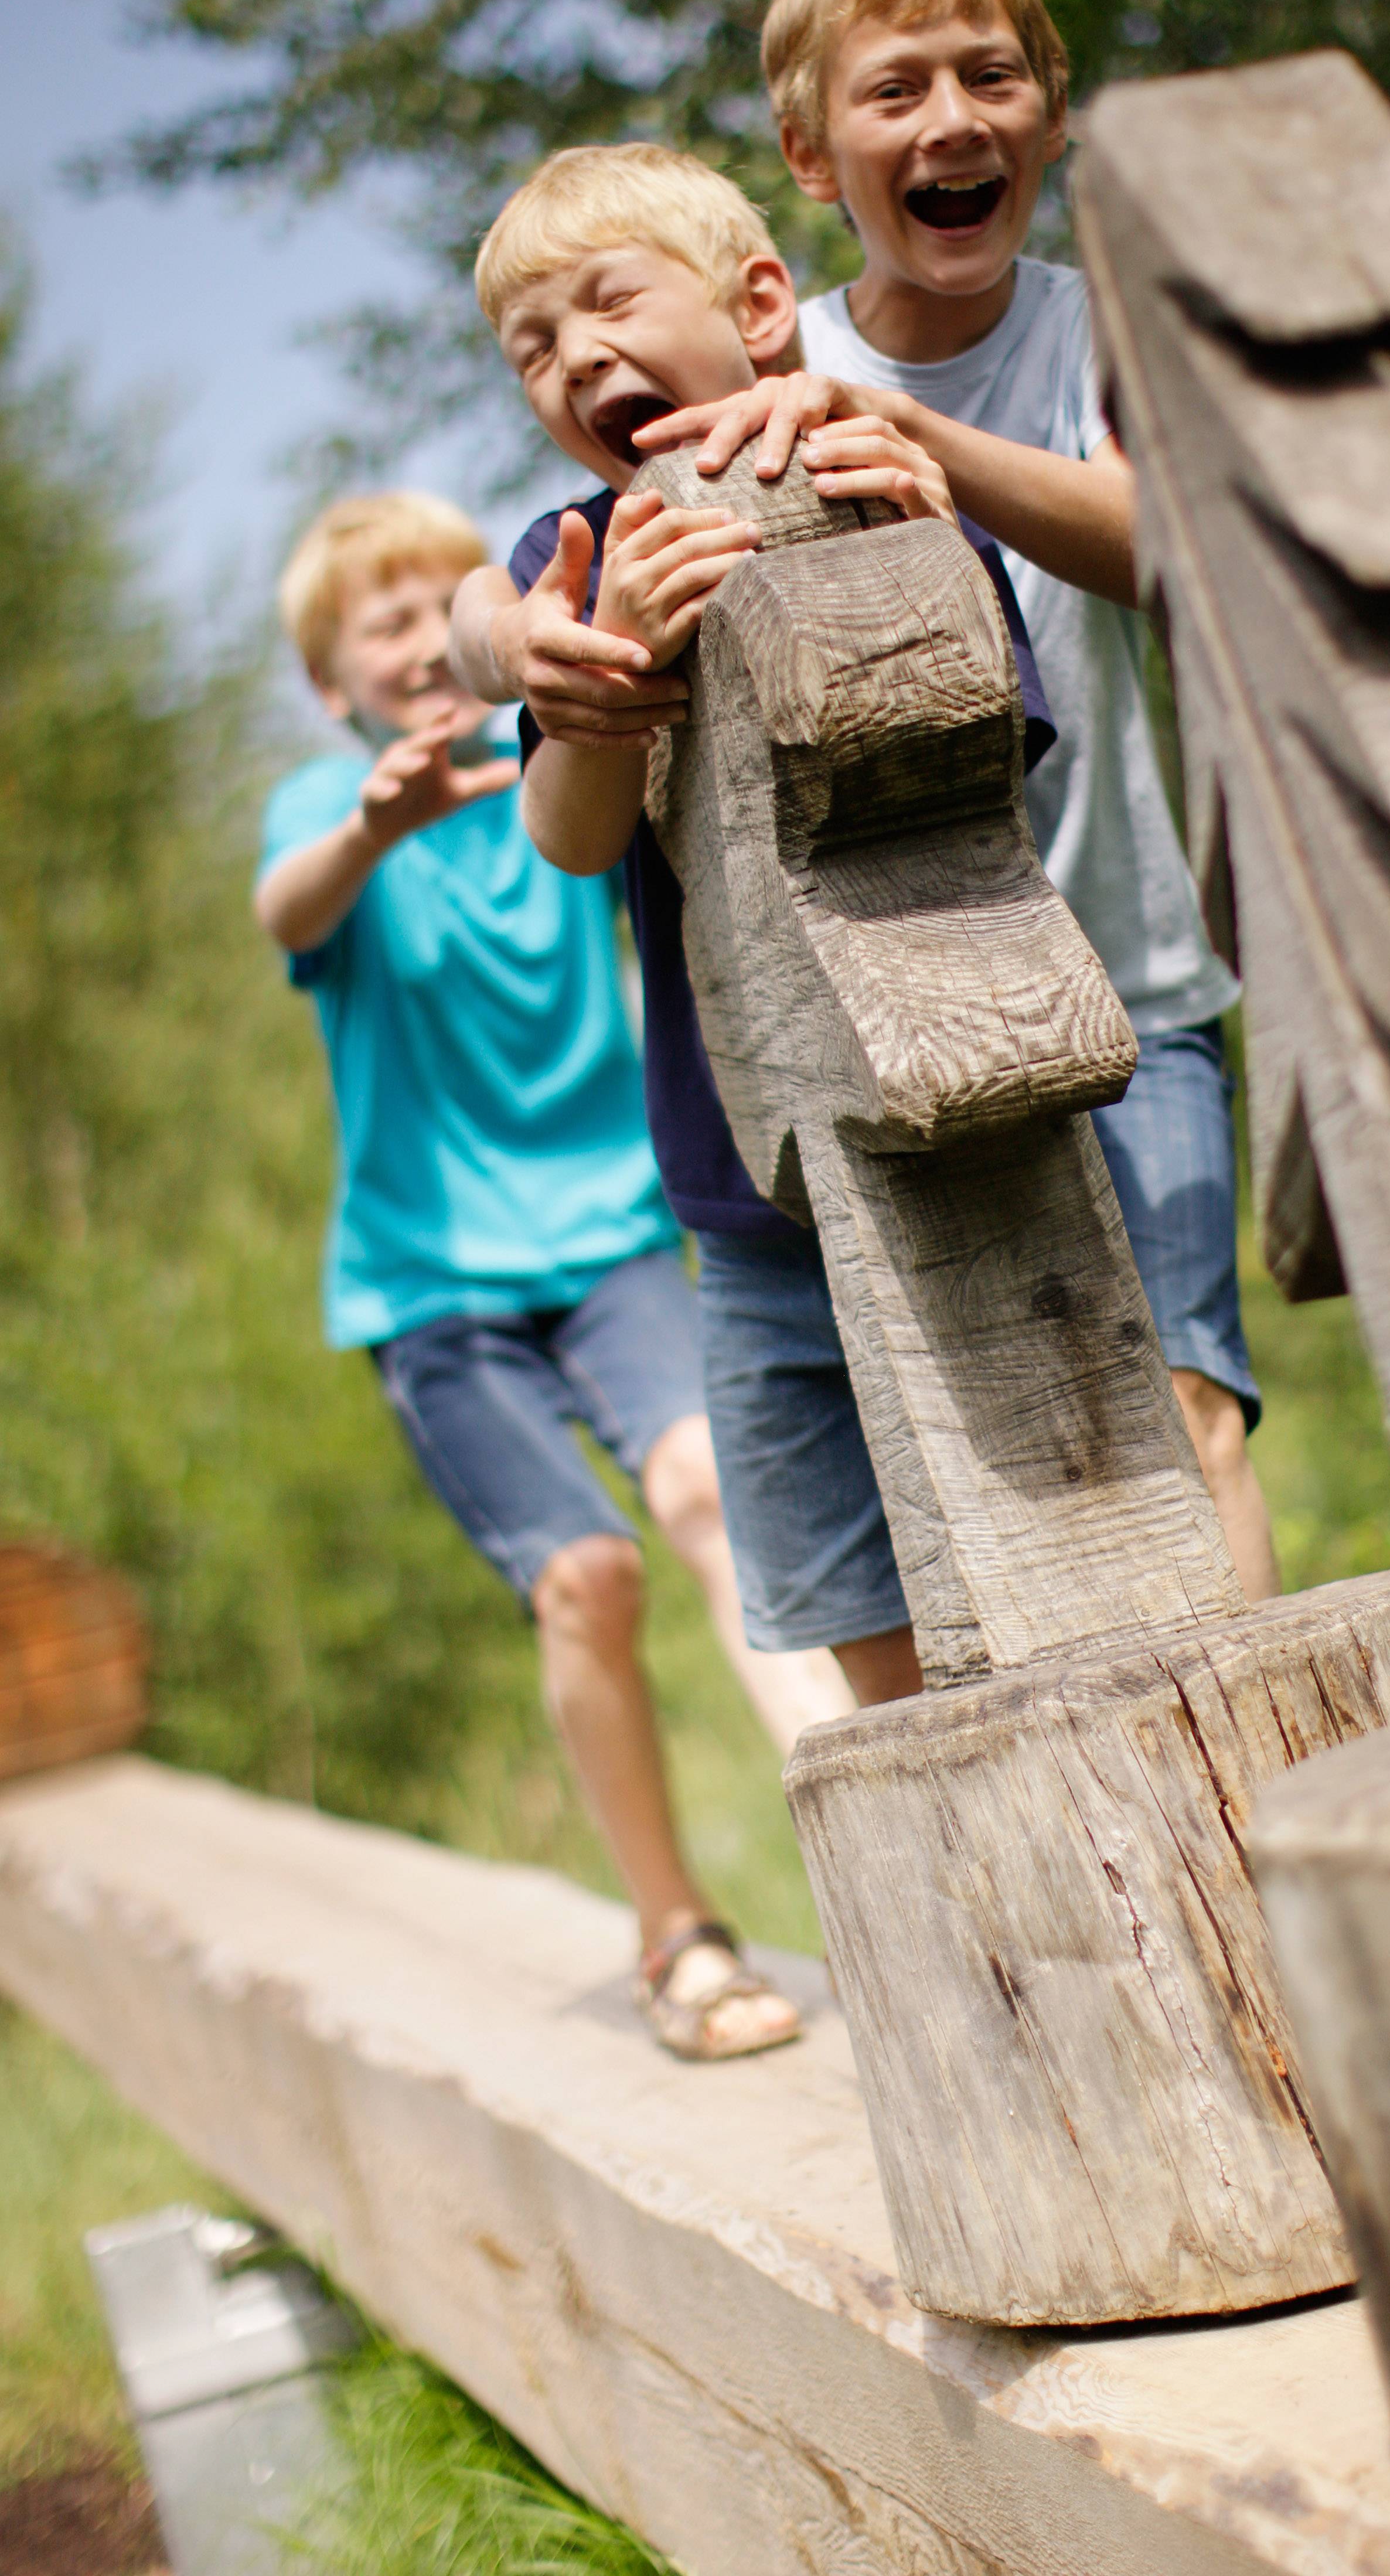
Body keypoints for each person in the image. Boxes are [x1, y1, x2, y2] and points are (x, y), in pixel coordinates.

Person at [628, 0, 1278, 1602]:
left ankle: (1279, 1826)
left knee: (1191, 1405)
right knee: (985, 1471)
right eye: (895, 91)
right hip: (888, 1010)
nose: (950, 123)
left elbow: (1171, 549)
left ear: (1052, 117)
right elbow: (577, 540)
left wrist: (930, 448)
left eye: (990, 78)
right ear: (809, 158)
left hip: (1131, 976)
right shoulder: (776, 365)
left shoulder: (1091, 333)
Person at [447, 147, 1058, 1711]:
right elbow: (571, 842)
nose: (577, 357)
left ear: (763, 306)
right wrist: (601, 682)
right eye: (534, 349)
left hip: (975, 1115)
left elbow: (999, 738)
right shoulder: (567, 562)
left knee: (1056, 1532)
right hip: (742, 1190)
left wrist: (899, 535)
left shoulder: (857, 461)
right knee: (866, 1621)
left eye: (609, 305)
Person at [256, 489, 846, 2061]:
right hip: (434, 1286)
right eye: (376, 626)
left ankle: (866, 1849)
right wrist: (371, 830)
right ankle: (679, 1936)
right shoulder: (334, 806)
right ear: (338, 683)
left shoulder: (556, 764)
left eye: (434, 606)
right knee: (586, 1579)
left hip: (610, 1239)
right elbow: (284, 910)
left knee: (718, 1494)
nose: (415, 643)